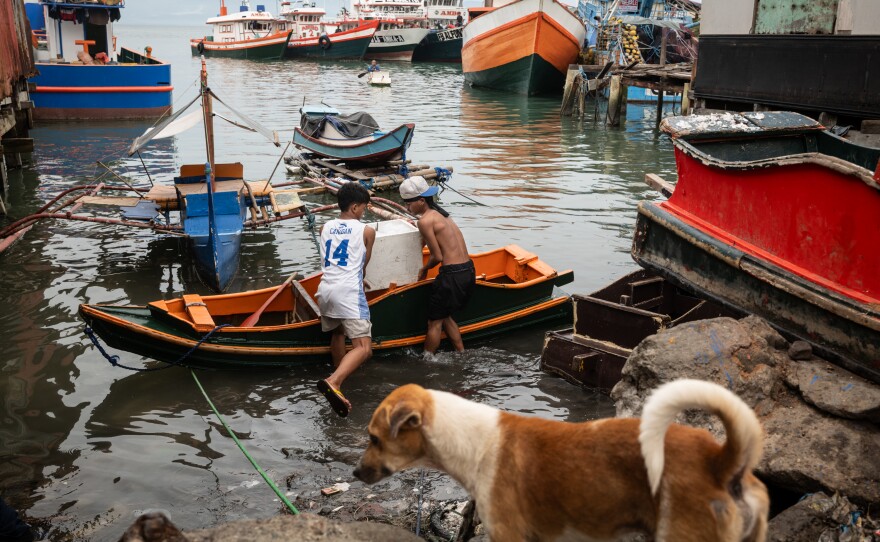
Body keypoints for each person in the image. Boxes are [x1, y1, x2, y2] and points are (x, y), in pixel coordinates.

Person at [315, 181, 376, 418]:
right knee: (364, 348)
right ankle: (335, 381)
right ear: (353, 207)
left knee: (338, 334)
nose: (364, 211)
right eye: (363, 207)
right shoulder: (367, 231)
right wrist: (360, 280)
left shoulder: (325, 227)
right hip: (349, 293)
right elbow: (363, 264)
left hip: (326, 290)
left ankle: (338, 381)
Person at [399, 176, 475, 354]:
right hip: (468, 270)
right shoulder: (443, 216)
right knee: (444, 315)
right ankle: (461, 352)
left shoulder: (424, 221)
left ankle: (427, 360)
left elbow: (437, 256)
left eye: (408, 204)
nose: (406, 208)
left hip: (452, 275)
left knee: (434, 322)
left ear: (421, 201)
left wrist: (424, 269)